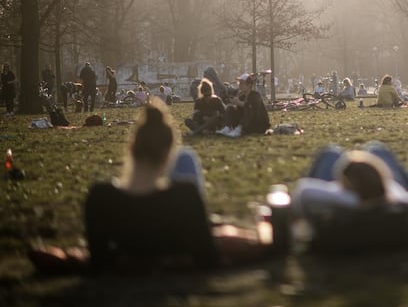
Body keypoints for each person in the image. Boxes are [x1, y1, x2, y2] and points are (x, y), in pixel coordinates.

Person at [29, 99, 271, 274]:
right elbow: (210, 259)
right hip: (179, 232)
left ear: (132, 148)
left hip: (130, 239)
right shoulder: (184, 196)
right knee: (187, 159)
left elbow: (99, 261)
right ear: (167, 155)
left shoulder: (101, 198)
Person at [291, 141, 408, 249]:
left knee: (330, 152)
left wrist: (355, 198)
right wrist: (381, 198)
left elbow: (304, 191)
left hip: (347, 205)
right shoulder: (403, 207)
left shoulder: (339, 199)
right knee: (376, 149)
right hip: (388, 195)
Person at [218, 73, 271, 137]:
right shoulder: (242, 96)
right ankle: (228, 128)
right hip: (248, 124)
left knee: (249, 109)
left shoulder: (255, 95)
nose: (240, 85)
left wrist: (239, 102)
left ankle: (239, 129)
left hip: (259, 125)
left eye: (242, 83)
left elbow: (252, 107)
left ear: (249, 85)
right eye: (239, 83)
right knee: (230, 108)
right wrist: (233, 103)